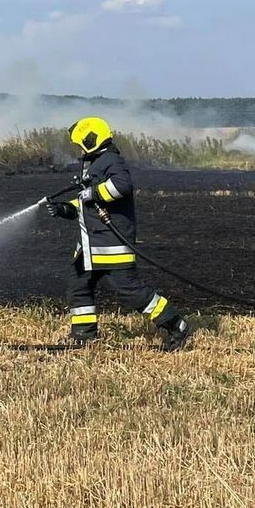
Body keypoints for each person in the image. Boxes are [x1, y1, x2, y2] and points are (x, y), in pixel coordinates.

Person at [43, 116, 194, 351]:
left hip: (110, 243)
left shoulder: (111, 161)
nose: (78, 149)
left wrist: (94, 192)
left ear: (91, 140)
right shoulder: (94, 163)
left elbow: (122, 186)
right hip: (91, 244)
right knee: (78, 285)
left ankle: (176, 324)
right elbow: (86, 202)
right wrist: (64, 208)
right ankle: (83, 335)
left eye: (80, 143)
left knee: (129, 290)